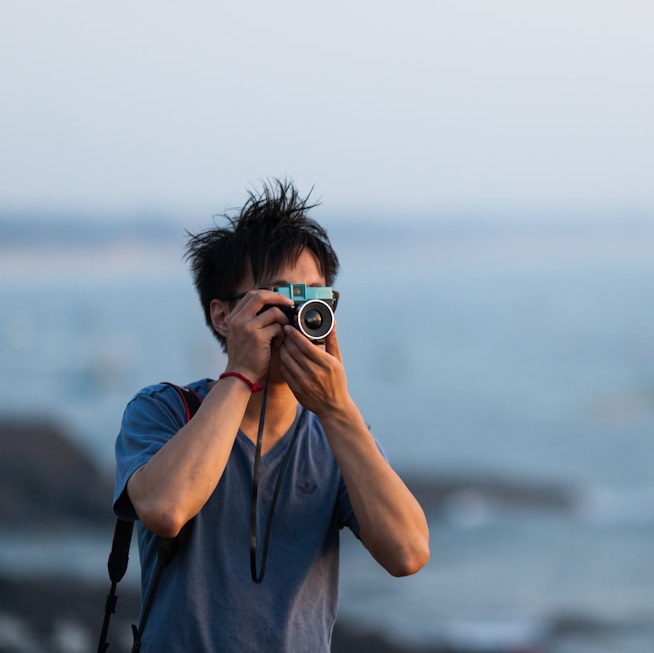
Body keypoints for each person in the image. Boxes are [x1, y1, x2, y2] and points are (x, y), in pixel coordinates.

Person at [113, 180, 429, 652]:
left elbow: (407, 552)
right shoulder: (162, 412)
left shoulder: (335, 436)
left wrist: (338, 410)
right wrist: (241, 374)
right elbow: (165, 509)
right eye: (278, 300)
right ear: (223, 317)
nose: (298, 319)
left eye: (313, 302)